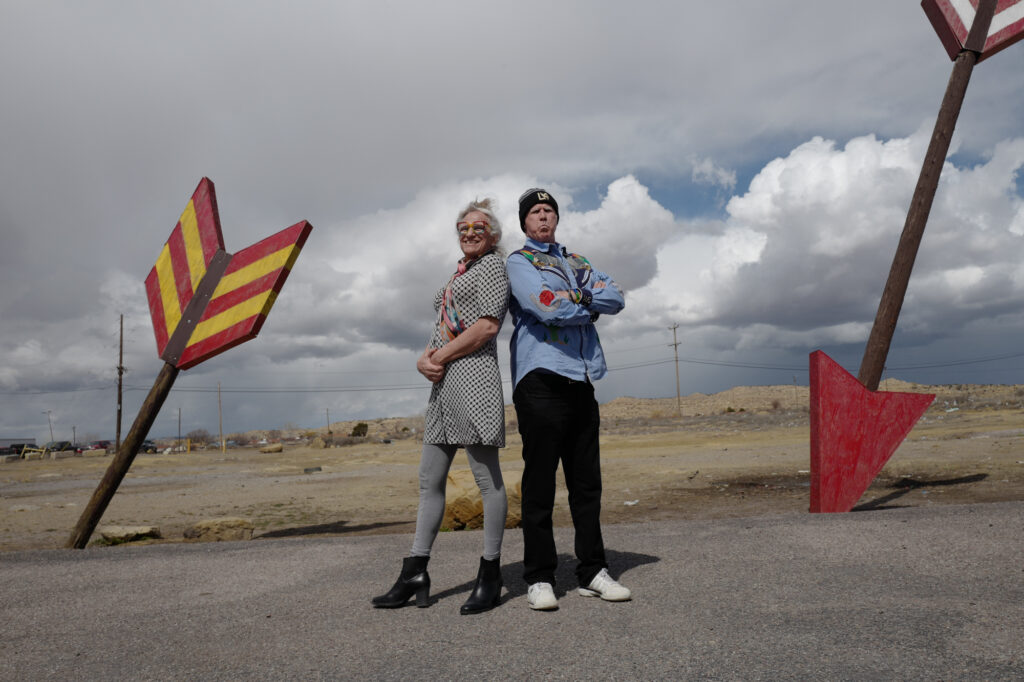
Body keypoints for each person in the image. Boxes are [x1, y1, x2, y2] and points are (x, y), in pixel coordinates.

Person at [372, 198, 510, 615]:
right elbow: (443, 328)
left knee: (487, 482)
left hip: (474, 381)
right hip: (444, 385)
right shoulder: (460, 273)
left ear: (494, 236)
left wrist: (439, 356)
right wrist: (424, 358)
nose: (469, 233)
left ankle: (490, 572)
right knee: (428, 480)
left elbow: (487, 325)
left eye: (478, 228)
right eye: (462, 228)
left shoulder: (492, 268)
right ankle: (415, 571)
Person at [506, 188, 631, 611]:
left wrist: (578, 296)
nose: (543, 217)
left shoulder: (578, 262)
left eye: (549, 211)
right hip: (540, 378)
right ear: (524, 223)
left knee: (586, 484)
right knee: (539, 483)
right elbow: (546, 308)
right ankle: (539, 577)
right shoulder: (519, 262)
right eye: (535, 212)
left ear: (556, 218)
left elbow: (616, 297)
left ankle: (592, 571)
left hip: (581, 378)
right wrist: (586, 301)